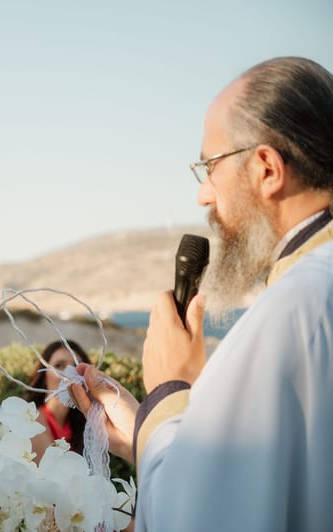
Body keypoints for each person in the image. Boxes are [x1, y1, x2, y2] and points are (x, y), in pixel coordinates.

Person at [71, 57, 333, 531]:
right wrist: (143, 429)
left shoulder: (292, 308)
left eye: (210, 167)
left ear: (267, 168)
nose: (204, 195)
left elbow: (198, 519)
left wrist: (171, 388)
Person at [26, 339, 90, 460]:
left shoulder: (86, 425)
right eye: (59, 366)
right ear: (44, 375)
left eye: (76, 367)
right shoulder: (29, 422)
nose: (68, 374)